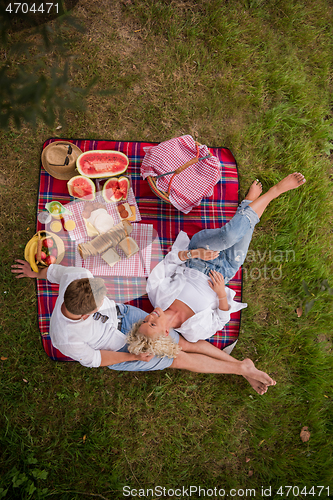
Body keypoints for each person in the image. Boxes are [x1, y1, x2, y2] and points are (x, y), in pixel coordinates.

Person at [128, 172, 306, 353]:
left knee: (229, 236)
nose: (149, 317)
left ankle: (275, 191)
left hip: (198, 256)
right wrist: (221, 294)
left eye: (144, 321)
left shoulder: (156, 294)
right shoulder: (193, 332)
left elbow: (169, 262)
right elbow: (221, 319)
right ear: (166, 332)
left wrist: (195, 253)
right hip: (226, 269)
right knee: (243, 234)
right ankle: (246, 205)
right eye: (151, 324)